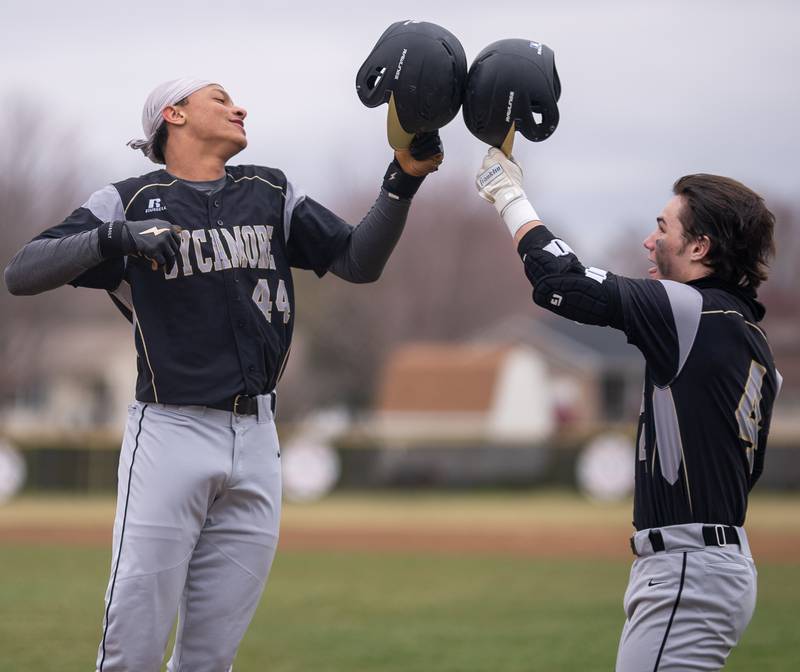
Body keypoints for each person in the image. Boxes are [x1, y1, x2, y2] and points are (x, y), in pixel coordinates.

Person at [4, 78, 443, 671]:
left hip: (259, 436)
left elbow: (358, 260)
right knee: (132, 644)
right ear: (174, 114)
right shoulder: (129, 199)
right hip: (169, 431)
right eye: (219, 97)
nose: (239, 107)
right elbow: (23, 271)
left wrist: (404, 178)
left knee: (211, 657)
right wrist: (115, 237)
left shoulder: (270, 190)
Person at [475, 147, 781, 671]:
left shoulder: (693, 311)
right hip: (708, 563)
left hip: (689, 566)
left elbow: (561, 283)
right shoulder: (752, 340)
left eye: (662, 226)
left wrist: (508, 194)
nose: (649, 239)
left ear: (700, 246)